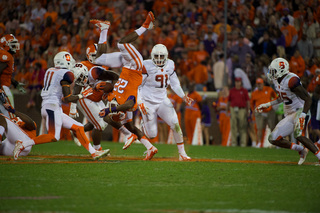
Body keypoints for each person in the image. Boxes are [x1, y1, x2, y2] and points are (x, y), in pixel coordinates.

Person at [13, 51, 110, 160]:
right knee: (53, 136)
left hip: (50, 105)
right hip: (52, 106)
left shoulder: (50, 70)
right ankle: (23, 144)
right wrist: (82, 95)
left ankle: (94, 152)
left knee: (78, 128)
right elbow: (67, 98)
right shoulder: (66, 74)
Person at [92, 12, 159, 160]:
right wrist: (112, 109)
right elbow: (128, 104)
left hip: (126, 66)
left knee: (98, 59)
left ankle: (105, 29)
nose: (112, 104)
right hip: (134, 65)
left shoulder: (112, 98)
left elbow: (111, 89)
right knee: (121, 44)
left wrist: (101, 88)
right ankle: (145, 26)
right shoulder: (126, 104)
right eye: (118, 112)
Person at [256, 57, 320, 165]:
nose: (271, 73)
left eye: (273, 71)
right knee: (273, 138)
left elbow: (308, 98)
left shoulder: (291, 81)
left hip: (300, 110)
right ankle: (300, 149)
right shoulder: (277, 80)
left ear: (281, 71)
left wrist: (303, 115)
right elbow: (282, 97)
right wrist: (267, 104)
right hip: (290, 114)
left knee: (298, 134)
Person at [135, 44, 192, 160]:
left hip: (162, 100)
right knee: (151, 135)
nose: (159, 59)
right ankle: (143, 124)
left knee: (175, 124)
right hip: (147, 102)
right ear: (152, 56)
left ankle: (182, 154)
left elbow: (175, 83)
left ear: (166, 56)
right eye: (157, 56)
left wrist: (183, 96)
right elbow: (137, 86)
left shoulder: (170, 64)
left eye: (162, 56)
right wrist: (140, 102)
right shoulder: (146, 65)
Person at [0, 34, 26, 119]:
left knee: (4, 117)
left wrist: (15, 83)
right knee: (10, 117)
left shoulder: (6, 55)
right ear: (5, 45)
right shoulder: (6, 56)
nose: (14, 47)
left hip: (3, 87)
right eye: (12, 44)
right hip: (3, 89)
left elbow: (5, 74)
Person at [250, 78, 277, 147]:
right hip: (260, 112)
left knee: (272, 127)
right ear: (256, 84)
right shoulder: (254, 93)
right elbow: (251, 103)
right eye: (258, 84)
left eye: (260, 83)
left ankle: (275, 143)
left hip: (269, 111)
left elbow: (276, 97)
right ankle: (259, 143)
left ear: (263, 83)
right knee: (259, 128)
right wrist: (253, 110)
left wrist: (272, 104)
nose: (259, 85)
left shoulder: (269, 89)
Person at [227, 77, 250, 147]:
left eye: (239, 82)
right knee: (233, 126)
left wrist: (248, 110)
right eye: (236, 82)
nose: (237, 83)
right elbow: (229, 101)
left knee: (242, 126)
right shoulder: (232, 90)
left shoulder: (244, 91)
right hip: (233, 109)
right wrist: (227, 110)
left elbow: (247, 101)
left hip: (242, 109)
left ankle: (243, 143)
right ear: (235, 82)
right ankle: (234, 142)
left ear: (241, 82)